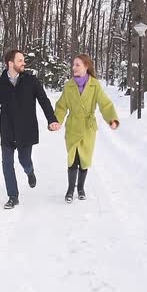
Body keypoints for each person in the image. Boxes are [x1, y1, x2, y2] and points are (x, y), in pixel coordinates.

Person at [0, 49, 60, 209]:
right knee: (7, 163)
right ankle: (13, 196)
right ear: (10, 63)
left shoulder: (31, 80)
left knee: (24, 160)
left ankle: (30, 171)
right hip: (7, 130)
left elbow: (44, 101)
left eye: (23, 60)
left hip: (26, 130)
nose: (24, 63)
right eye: (20, 60)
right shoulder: (0, 83)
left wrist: (52, 120)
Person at [54, 54, 119, 203]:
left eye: (77, 64)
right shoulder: (69, 85)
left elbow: (105, 104)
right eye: (73, 64)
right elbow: (61, 106)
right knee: (73, 159)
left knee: (84, 159)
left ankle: (81, 188)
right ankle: (70, 190)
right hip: (73, 127)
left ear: (86, 66)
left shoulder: (94, 85)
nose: (74, 67)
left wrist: (111, 119)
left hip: (88, 128)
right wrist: (56, 121)